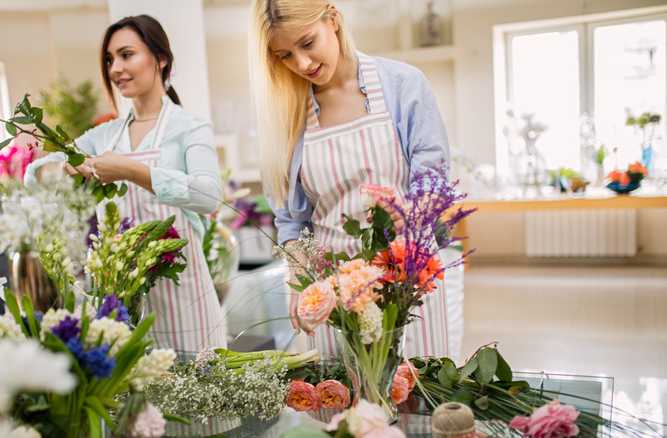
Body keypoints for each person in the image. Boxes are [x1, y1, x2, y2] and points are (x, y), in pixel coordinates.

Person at [249, 0, 450, 359]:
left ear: (334, 18)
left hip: (406, 269)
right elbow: (291, 221)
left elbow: (433, 177)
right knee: (340, 399)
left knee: (416, 390)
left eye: (308, 43)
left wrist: (410, 214)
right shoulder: (288, 113)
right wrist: (298, 275)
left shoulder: (402, 84)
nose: (303, 64)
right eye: (285, 56)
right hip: (330, 284)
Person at [26, 15, 226, 354]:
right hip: (121, 295)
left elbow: (208, 196)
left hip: (185, 294)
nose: (115, 68)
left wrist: (132, 170)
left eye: (126, 54)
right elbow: (35, 175)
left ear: (161, 59)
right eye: (109, 59)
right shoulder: (105, 135)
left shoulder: (190, 129)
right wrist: (67, 167)